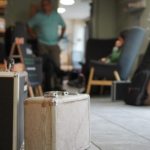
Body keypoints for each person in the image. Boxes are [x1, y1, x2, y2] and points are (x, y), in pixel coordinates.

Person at [27, 0, 66, 91]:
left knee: (55, 63)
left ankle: (57, 84)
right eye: (42, 5)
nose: (44, 6)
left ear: (50, 5)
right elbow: (28, 25)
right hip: (42, 43)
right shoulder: (38, 16)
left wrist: (61, 36)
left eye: (46, 4)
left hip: (54, 44)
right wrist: (32, 35)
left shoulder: (57, 16)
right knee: (46, 64)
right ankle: (46, 84)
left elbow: (64, 26)